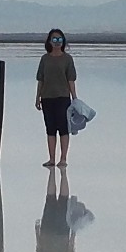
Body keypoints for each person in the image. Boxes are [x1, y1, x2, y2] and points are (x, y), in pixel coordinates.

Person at [34, 28, 77, 167]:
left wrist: (75, 98)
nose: (57, 42)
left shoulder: (67, 59)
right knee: (50, 128)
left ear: (63, 41)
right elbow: (41, 79)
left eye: (59, 39)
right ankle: (52, 159)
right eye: (54, 39)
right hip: (47, 98)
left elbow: (71, 79)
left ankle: (63, 158)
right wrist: (37, 97)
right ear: (50, 41)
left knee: (63, 128)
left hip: (63, 97)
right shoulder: (45, 59)